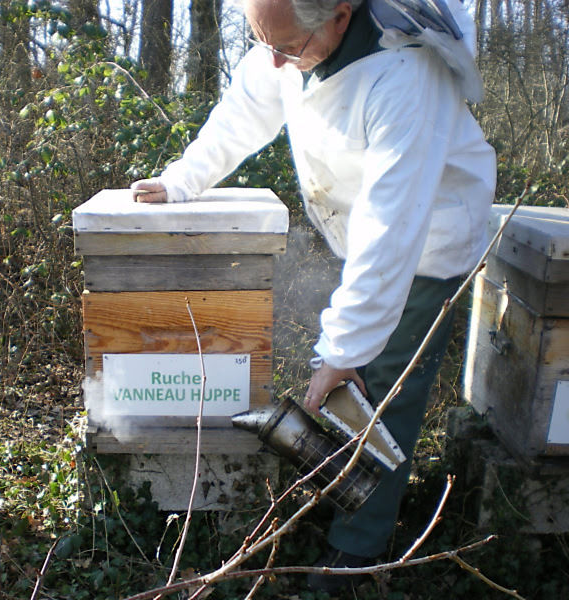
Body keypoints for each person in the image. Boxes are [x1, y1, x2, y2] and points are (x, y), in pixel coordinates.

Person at [131, 0, 496, 593]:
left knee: (378, 395)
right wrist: (181, 179)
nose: (274, 59)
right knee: (349, 378)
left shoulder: (404, 75)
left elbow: (392, 229)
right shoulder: (290, 38)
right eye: (261, 40)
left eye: (287, 46)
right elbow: (242, 113)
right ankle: (340, 498)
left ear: (342, 15)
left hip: (427, 240)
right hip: (367, 233)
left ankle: (355, 558)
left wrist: (342, 351)